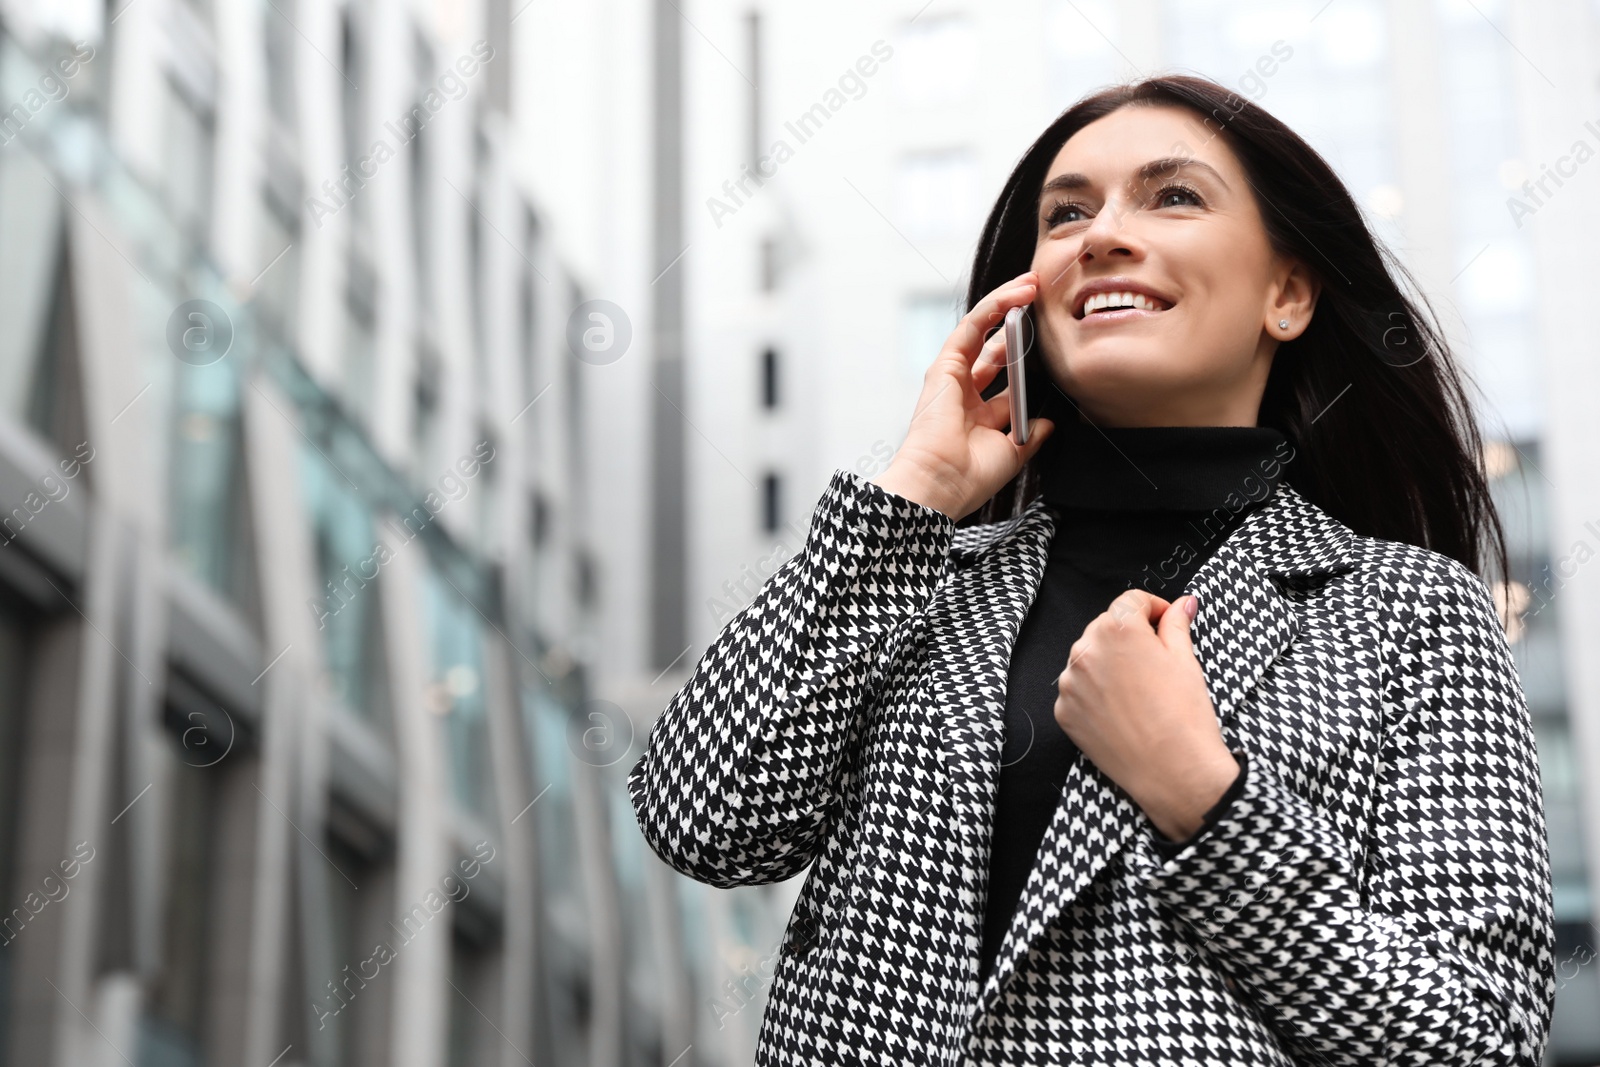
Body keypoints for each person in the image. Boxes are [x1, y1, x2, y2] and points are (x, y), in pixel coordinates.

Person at [629, 74, 1555, 1066]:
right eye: (1066, 211)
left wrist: (1206, 801)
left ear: (1285, 295)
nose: (1100, 233)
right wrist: (917, 490)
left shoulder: (1405, 611)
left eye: (1173, 196)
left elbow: (1478, 1039)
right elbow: (708, 821)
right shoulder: (918, 573)